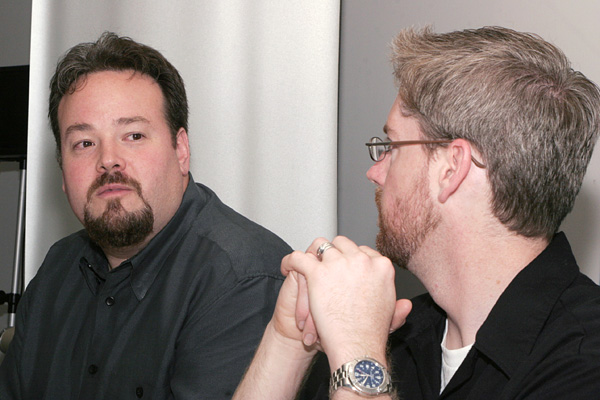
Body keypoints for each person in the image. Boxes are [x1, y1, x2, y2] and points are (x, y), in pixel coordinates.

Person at [233, 26, 600, 399]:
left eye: (392, 145)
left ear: (451, 168)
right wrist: (289, 340)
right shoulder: (403, 333)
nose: (375, 172)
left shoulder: (583, 363)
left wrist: (358, 353)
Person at [0, 32, 291, 399]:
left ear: (181, 150)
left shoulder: (241, 280)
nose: (108, 160)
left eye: (133, 135)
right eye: (84, 143)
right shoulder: (58, 268)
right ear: (62, 170)